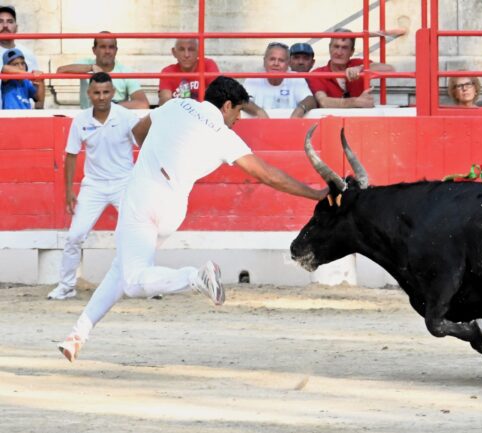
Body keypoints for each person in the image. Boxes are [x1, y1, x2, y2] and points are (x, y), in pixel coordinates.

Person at [56, 76, 328, 363]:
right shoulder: (225, 136)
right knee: (122, 269)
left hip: (142, 195)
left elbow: (138, 132)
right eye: (238, 112)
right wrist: (315, 194)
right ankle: (78, 334)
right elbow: (269, 176)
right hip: (174, 207)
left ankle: (194, 277)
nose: (238, 119)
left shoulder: (176, 105)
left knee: (134, 281)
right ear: (226, 106)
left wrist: (153, 153)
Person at [46, 72, 139, 300]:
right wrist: (69, 191)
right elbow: (71, 155)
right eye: (96, 92)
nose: (101, 97)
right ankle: (66, 286)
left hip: (124, 183)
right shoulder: (81, 120)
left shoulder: (127, 117)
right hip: (94, 186)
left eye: (106, 92)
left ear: (113, 93)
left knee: (138, 233)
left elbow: (146, 147)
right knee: (75, 235)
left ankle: (144, 283)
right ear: (89, 94)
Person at [306, 28, 395, 108]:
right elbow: (323, 102)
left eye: (344, 48)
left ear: (352, 52)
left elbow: (390, 69)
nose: (339, 52)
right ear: (330, 48)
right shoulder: (317, 73)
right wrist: (355, 102)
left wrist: (361, 68)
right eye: (336, 46)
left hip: (359, 120)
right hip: (331, 121)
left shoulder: (357, 63)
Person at [57, 32, 149, 109]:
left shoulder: (125, 71)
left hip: (115, 120)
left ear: (116, 50)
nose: (107, 51)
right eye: (103, 47)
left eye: (111, 47)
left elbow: (143, 104)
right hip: (88, 121)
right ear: (94, 50)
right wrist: (91, 67)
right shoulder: (85, 64)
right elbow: (61, 70)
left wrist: (109, 107)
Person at [243, 42, 316, 118]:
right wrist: (258, 111)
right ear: (264, 61)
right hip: (260, 127)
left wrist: (300, 110)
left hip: (289, 127)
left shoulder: (296, 78)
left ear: (288, 64)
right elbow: (242, 100)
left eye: (281, 60)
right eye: (272, 59)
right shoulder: (253, 79)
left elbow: (310, 100)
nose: (276, 63)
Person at [158, 38, 219, 106]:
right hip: (179, 114)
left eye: (191, 49)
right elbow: (165, 100)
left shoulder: (207, 65)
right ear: (174, 52)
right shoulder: (168, 72)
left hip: (203, 114)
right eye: (181, 49)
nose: (186, 55)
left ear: (199, 51)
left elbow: (217, 95)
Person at [0, 5, 40, 74]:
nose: (5, 25)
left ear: (16, 28)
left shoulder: (28, 54)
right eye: (0, 21)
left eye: (10, 21)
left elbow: (36, 82)